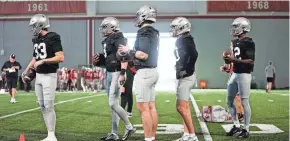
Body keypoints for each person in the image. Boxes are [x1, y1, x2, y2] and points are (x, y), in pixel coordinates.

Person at [118, 5, 159, 141]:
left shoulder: (144, 32)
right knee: (151, 107)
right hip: (153, 71)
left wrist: (129, 50)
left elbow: (143, 55)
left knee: (143, 108)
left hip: (145, 72)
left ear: (143, 16)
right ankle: (152, 137)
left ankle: (148, 138)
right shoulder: (154, 32)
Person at [22, 14, 64, 141]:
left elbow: (60, 57)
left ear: (40, 25)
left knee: (48, 105)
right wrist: (26, 70)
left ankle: (52, 135)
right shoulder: (36, 40)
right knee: (42, 106)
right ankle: (49, 134)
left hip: (49, 76)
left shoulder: (53, 37)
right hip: (39, 76)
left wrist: (44, 61)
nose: (32, 29)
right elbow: (35, 58)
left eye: (34, 26)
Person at [93, 17, 136, 141]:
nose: (102, 29)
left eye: (104, 26)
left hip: (117, 73)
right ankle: (114, 133)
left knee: (112, 103)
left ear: (111, 27)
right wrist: (100, 60)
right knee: (114, 104)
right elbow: (111, 58)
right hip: (110, 72)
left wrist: (123, 73)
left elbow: (123, 55)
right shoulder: (108, 39)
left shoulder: (118, 37)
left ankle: (129, 126)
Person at [223, 17, 255, 138]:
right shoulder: (235, 42)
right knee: (229, 101)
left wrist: (233, 59)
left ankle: (246, 129)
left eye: (236, 26)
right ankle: (236, 125)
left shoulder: (249, 42)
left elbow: (251, 61)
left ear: (243, 28)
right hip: (235, 73)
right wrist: (227, 62)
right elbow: (234, 57)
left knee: (244, 102)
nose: (234, 29)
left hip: (244, 74)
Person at [169, 17, 199, 141]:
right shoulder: (182, 39)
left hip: (186, 77)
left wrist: (187, 69)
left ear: (182, 28)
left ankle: (192, 136)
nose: (173, 30)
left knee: (180, 107)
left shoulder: (185, 39)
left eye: (175, 27)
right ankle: (187, 135)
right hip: (183, 76)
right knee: (184, 107)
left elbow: (194, 54)